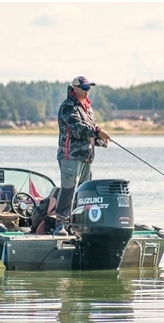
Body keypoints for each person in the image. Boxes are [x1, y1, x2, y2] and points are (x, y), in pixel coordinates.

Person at [53, 76, 111, 236]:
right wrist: (99, 132)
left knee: (85, 193)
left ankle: (78, 224)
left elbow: (90, 130)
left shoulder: (88, 108)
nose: (88, 90)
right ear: (75, 88)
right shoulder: (68, 107)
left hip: (87, 157)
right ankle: (60, 225)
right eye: (84, 87)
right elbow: (78, 128)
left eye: (89, 87)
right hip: (70, 156)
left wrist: (99, 140)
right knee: (69, 190)